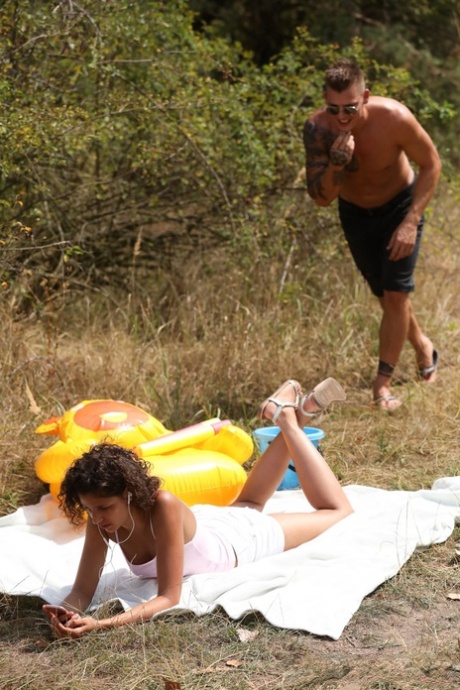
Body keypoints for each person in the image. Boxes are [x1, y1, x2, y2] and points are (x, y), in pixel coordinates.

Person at [43, 377, 352, 638]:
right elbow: (82, 591)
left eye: (104, 507)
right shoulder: (102, 520)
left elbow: (168, 597)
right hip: (210, 527)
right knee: (249, 503)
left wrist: (100, 624)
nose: (95, 517)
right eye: (89, 509)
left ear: (127, 493)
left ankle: (288, 419)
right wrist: (66, 614)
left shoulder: (162, 505)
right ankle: (298, 412)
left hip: (238, 542)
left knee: (337, 513)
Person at [303, 58, 441, 411]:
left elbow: (431, 163)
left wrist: (411, 221)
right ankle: (423, 346)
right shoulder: (318, 128)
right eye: (334, 108)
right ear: (324, 100)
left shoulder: (394, 118)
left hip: (400, 207)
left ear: (365, 96)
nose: (342, 117)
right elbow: (321, 199)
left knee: (395, 296)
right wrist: (337, 163)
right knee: (385, 295)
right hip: (355, 215)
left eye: (350, 107)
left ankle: (383, 385)